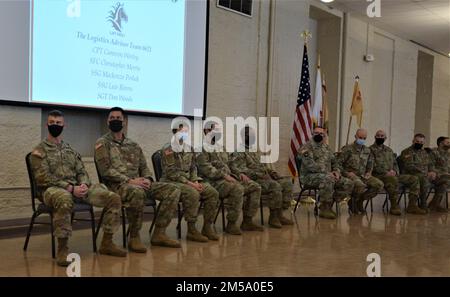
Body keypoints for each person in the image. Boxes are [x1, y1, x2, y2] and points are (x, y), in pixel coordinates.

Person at [30, 110, 126, 267]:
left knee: (113, 197)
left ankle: (107, 243)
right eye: (52, 123)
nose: (55, 126)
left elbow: (82, 171)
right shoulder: (39, 151)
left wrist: (83, 185)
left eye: (58, 123)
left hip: (76, 188)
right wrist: (69, 187)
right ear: (47, 125)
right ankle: (62, 250)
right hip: (52, 190)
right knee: (64, 198)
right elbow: (43, 178)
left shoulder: (70, 150)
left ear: (64, 125)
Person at [95, 107, 182, 250]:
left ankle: (159, 233)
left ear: (125, 122)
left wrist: (147, 178)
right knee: (137, 192)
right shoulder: (102, 143)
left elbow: (144, 166)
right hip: (117, 186)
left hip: (139, 183)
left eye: (118, 118)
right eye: (112, 118)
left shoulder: (133, 145)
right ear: (107, 121)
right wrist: (129, 181)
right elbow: (106, 171)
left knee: (173, 190)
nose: (115, 121)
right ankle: (134, 237)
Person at [196, 121, 263, 233]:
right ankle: (231, 224)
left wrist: (239, 174)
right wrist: (224, 175)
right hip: (213, 182)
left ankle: (247, 221)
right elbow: (206, 169)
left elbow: (231, 164)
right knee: (237, 188)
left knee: (255, 186)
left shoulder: (221, 147)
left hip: (229, 179)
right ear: (207, 131)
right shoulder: (201, 149)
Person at [160, 119, 220, 242]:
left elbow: (193, 168)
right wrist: (190, 184)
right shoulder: (168, 149)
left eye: (186, 131)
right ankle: (191, 230)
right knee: (193, 192)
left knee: (212, 192)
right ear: (174, 131)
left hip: (189, 182)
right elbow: (171, 173)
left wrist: (196, 181)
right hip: (171, 182)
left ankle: (207, 227)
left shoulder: (189, 148)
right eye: (181, 130)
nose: (184, 133)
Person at [230, 126, 294, 228]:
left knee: (287, 183)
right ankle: (271, 218)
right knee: (275, 186)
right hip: (253, 180)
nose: (254, 137)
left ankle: (279, 214)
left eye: (254, 136)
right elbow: (241, 171)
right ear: (244, 136)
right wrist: (260, 175)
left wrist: (272, 172)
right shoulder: (239, 152)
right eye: (251, 135)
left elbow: (262, 166)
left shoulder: (254, 151)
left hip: (264, 179)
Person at [299, 127, 354, 219]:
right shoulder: (306, 148)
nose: (318, 135)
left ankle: (328, 203)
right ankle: (325, 208)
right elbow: (310, 165)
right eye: (316, 133)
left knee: (348, 183)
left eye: (321, 134)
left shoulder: (327, 148)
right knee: (329, 179)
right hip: (309, 176)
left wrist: (336, 171)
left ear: (324, 136)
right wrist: (328, 173)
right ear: (312, 134)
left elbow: (335, 162)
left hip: (327, 175)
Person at [369, 130, 421, 215]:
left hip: (393, 174)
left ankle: (412, 205)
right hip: (379, 175)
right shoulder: (370, 150)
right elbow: (371, 165)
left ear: (385, 138)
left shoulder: (389, 150)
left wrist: (395, 171)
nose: (380, 137)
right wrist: (386, 172)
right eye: (378, 136)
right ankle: (394, 206)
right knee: (391, 179)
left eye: (382, 136)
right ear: (375, 137)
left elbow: (395, 163)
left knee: (414, 179)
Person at [339, 128, 384, 214]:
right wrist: (347, 173)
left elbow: (370, 163)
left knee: (379, 184)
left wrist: (369, 172)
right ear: (355, 136)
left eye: (364, 138)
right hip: (351, 175)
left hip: (363, 175)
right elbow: (338, 164)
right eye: (360, 137)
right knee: (360, 185)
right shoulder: (347, 149)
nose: (362, 140)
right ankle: (353, 202)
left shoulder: (367, 150)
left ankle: (360, 201)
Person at [398, 133, 437, 213]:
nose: (419, 143)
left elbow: (430, 164)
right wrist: (425, 173)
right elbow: (409, 166)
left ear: (423, 143)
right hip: (409, 174)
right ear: (413, 141)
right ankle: (419, 204)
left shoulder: (424, 153)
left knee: (432, 178)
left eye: (421, 142)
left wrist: (432, 171)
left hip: (423, 175)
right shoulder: (407, 152)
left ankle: (427, 204)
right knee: (423, 178)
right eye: (417, 141)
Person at [427, 136, 450, 212]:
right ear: (441, 143)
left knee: (445, 183)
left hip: (446, 177)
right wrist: (440, 173)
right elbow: (430, 166)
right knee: (446, 179)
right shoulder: (434, 152)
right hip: (436, 176)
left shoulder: (448, 154)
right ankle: (435, 204)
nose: (449, 144)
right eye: (447, 142)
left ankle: (434, 204)